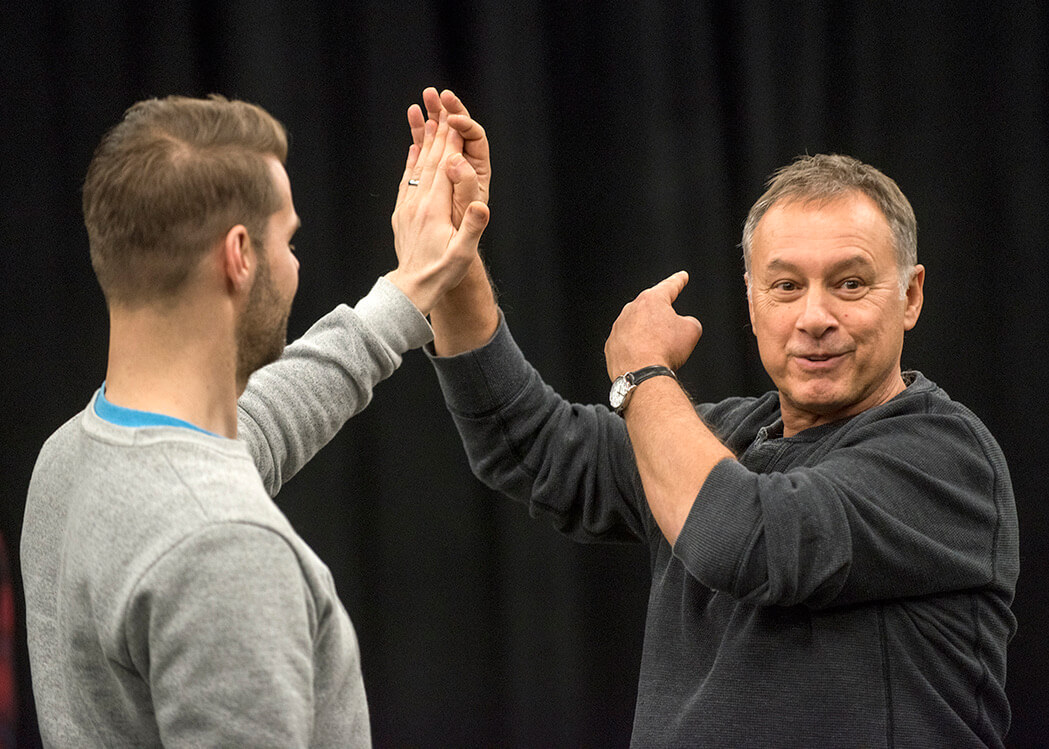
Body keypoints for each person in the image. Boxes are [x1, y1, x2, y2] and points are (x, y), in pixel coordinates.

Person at [419, 97, 1018, 748]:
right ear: (752, 302)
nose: (813, 315)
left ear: (910, 296)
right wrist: (453, 263)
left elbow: (743, 537)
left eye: (848, 284)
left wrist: (642, 373)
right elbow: (528, 444)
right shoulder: (719, 436)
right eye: (784, 286)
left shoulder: (944, 455)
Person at [21, 89, 489, 747]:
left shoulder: (71, 455)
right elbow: (207, 509)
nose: (296, 265)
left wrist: (407, 290)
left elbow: (246, 433)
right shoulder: (222, 547)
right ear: (238, 254)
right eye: (289, 240)